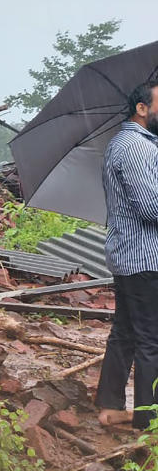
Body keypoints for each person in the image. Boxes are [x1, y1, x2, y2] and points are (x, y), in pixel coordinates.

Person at [96, 79, 158, 430]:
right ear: (142, 108)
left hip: (133, 255)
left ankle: (109, 405)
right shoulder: (134, 147)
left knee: (127, 332)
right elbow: (151, 205)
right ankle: (148, 423)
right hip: (145, 257)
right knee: (153, 340)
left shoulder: (144, 145)